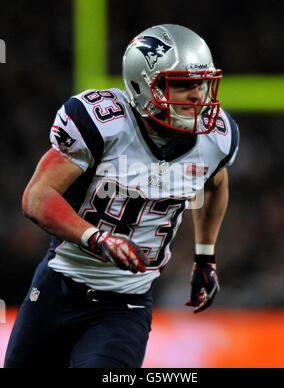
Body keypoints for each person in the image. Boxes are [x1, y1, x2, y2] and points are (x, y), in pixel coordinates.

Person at [5, 24, 239, 368]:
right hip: (58, 286)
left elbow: (216, 184)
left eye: (202, 84)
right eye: (184, 85)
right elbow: (37, 197)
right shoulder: (104, 123)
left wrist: (206, 256)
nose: (197, 96)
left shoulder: (215, 139)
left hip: (125, 305)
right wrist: (95, 238)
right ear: (143, 86)